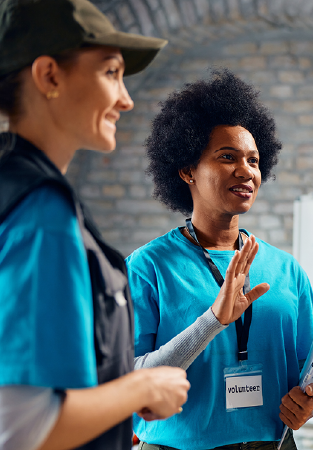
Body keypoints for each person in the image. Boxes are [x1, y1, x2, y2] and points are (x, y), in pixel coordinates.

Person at [0, 0, 194, 449]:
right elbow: (23, 428)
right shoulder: (41, 211)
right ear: (49, 75)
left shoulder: (15, 189)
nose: (126, 99)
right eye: (110, 72)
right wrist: (143, 387)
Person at [127, 68, 313, 450]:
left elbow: (312, 371)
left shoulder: (287, 270)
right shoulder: (148, 267)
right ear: (187, 170)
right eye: (227, 157)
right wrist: (212, 321)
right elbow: (130, 382)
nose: (246, 171)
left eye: (253, 160)